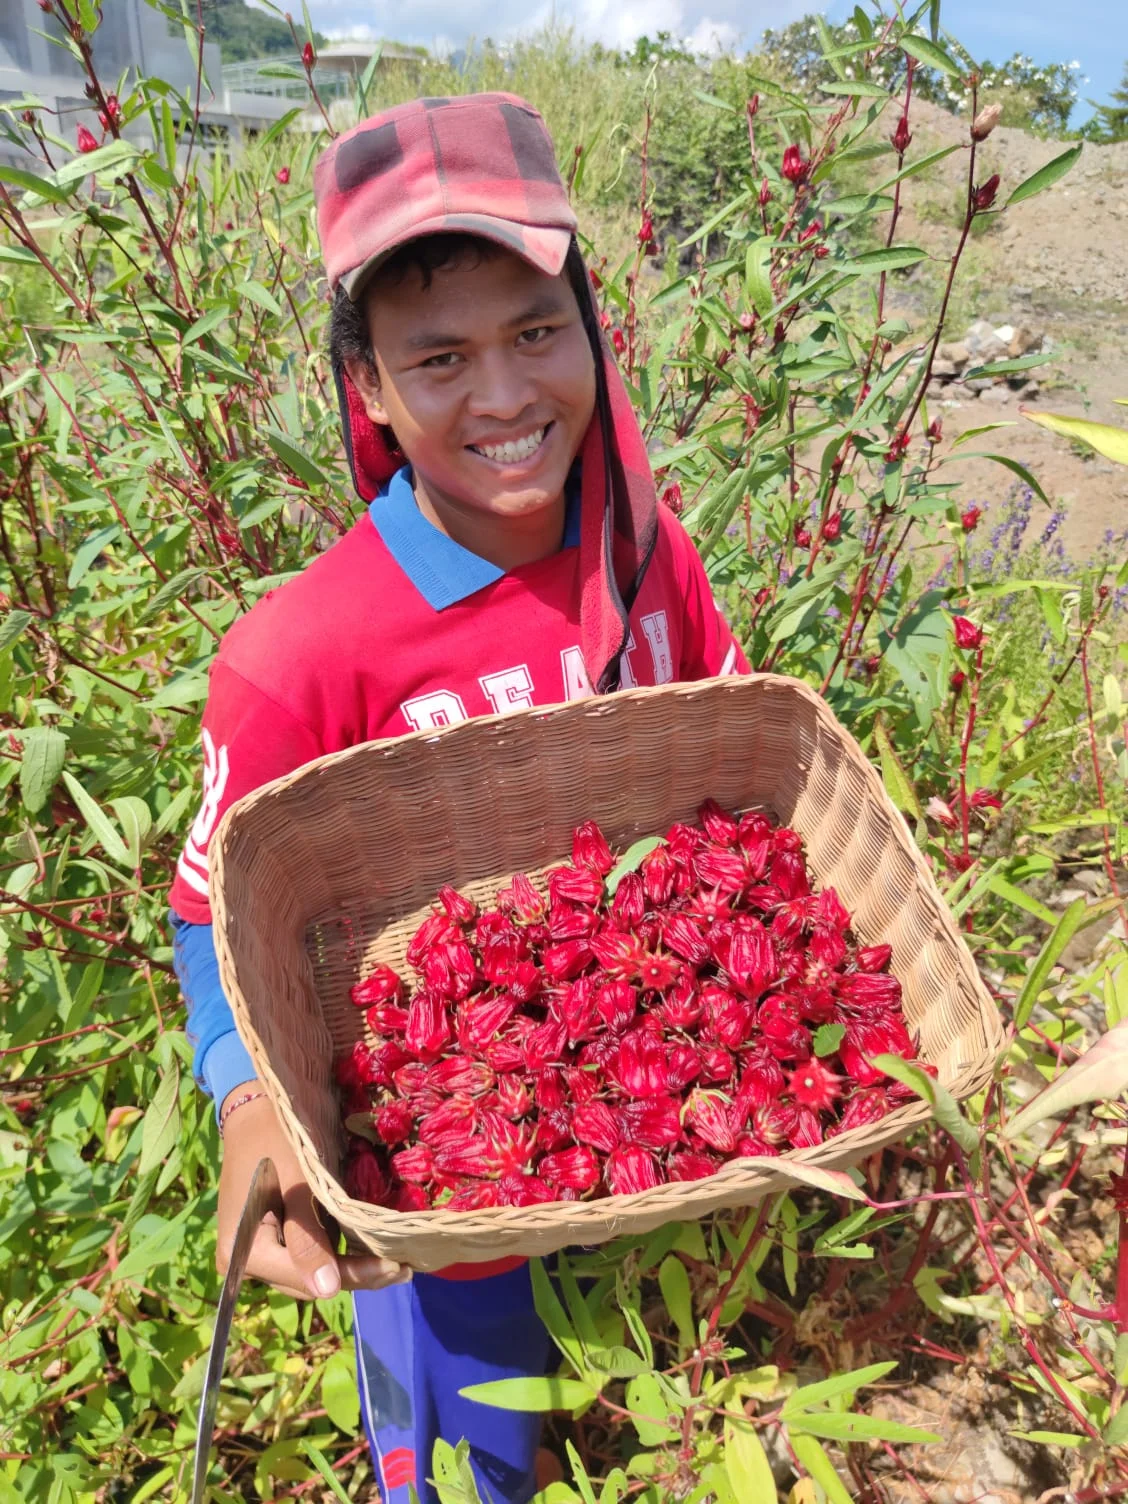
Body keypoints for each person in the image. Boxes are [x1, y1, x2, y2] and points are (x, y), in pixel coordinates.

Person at [170, 91, 749, 1504]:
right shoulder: (304, 659)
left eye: (537, 332)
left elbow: (733, 769)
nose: (502, 397)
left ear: (591, 330)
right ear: (367, 387)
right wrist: (246, 1099)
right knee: (467, 1433)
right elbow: (206, 910)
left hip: (646, 1109)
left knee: (631, 1361)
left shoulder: (645, 552)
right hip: (450, 1177)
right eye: (438, 357)